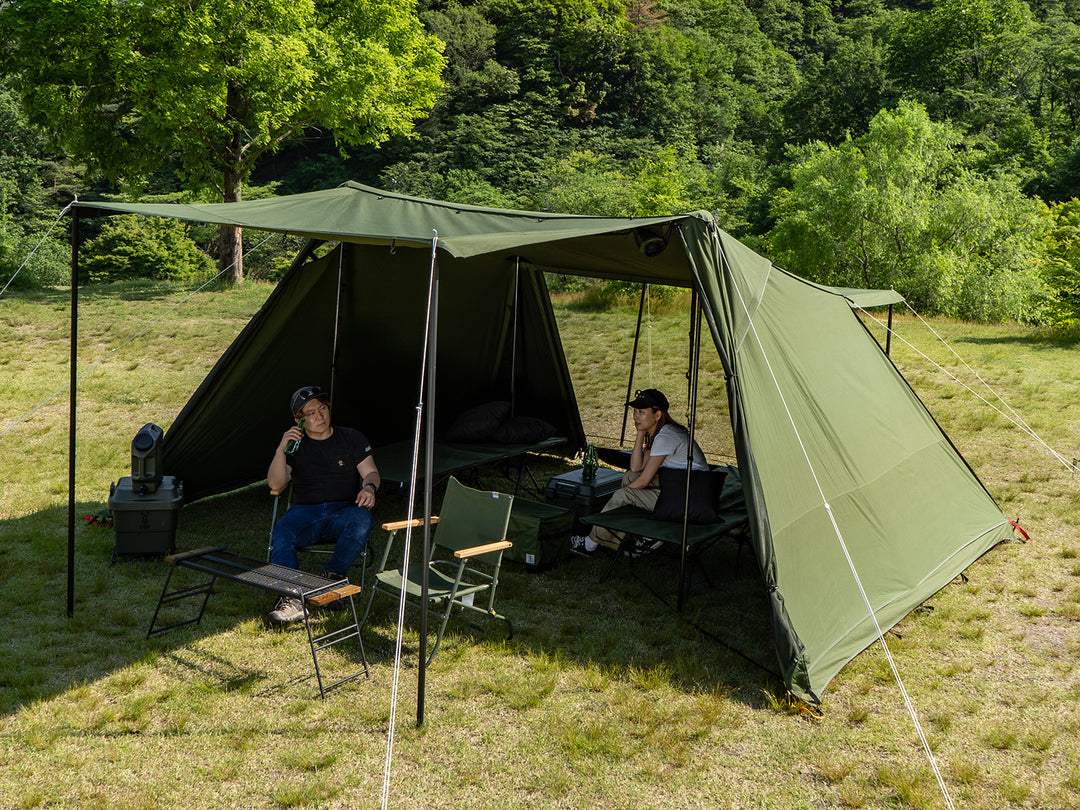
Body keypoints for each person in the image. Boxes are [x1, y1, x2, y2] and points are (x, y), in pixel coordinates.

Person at [266, 385, 381, 625]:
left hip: (342, 512)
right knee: (283, 532)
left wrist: (369, 488)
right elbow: (276, 484)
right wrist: (280, 450)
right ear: (299, 420)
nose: (320, 416)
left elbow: (371, 473)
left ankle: (329, 581)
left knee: (362, 519)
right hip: (305, 512)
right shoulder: (295, 445)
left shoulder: (351, 437)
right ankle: (291, 598)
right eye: (311, 413)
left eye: (322, 408)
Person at [570, 388, 708, 555]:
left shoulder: (665, 437)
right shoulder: (660, 432)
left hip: (689, 500)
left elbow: (644, 480)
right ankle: (634, 535)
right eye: (635, 411)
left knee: (623, 495)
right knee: (629, 477)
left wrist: (621, 494)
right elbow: (636, 468)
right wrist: (640, 434)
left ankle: (589, 544)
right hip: (681, 487)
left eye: (642, 412)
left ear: (658, 415)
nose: (636, 416)